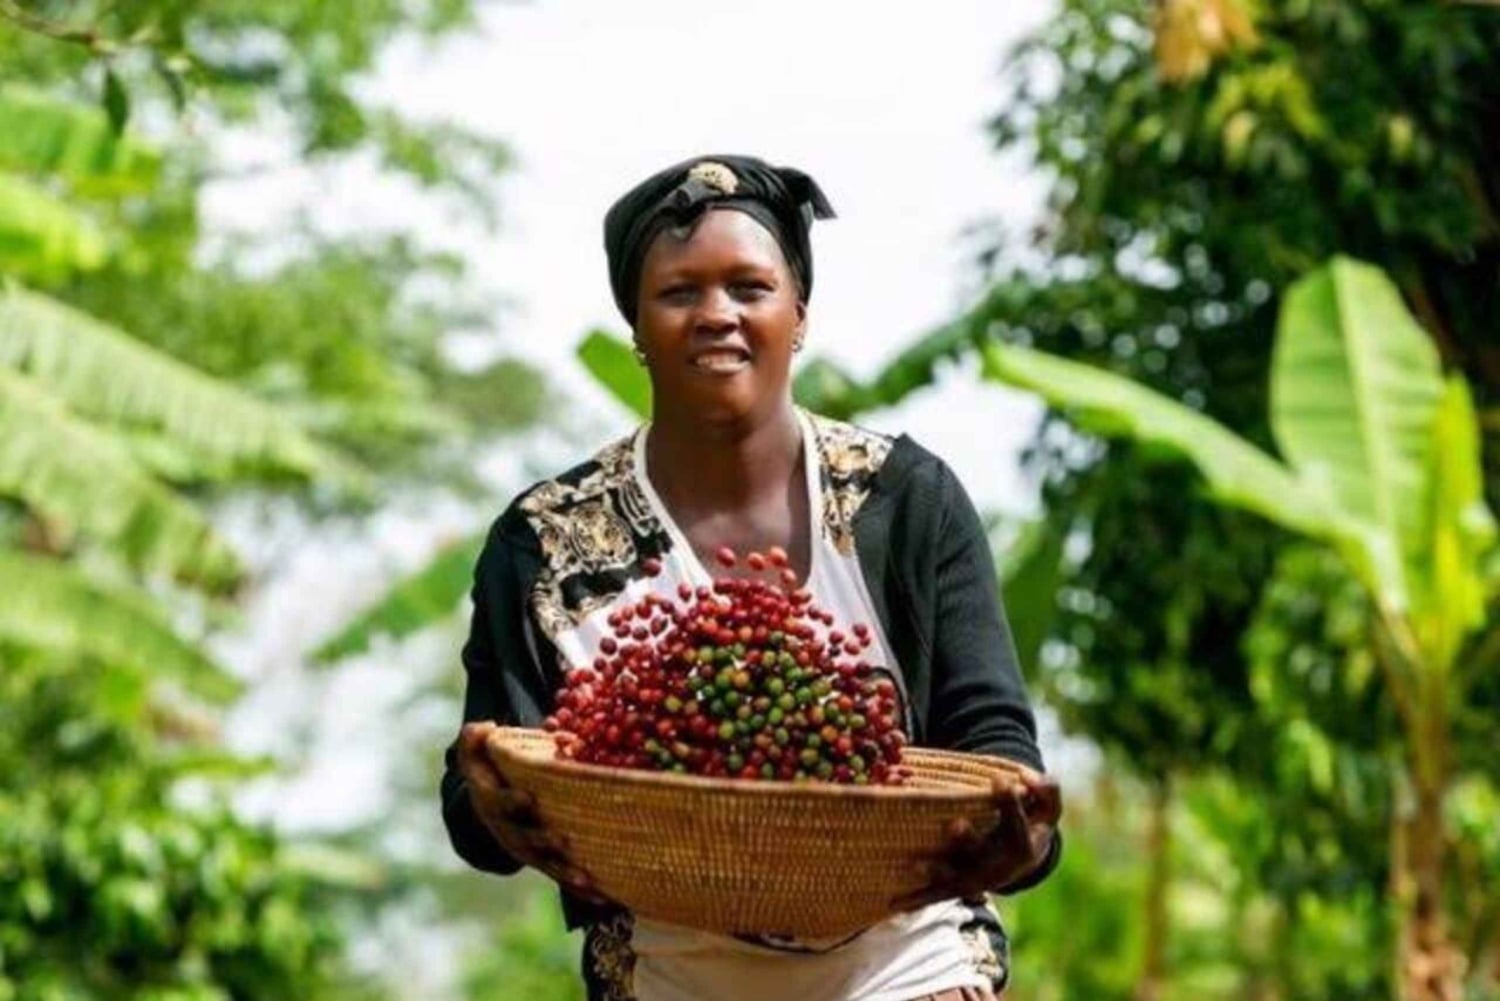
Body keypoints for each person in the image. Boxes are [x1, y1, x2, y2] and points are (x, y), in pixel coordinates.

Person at [442, 154, 1062, 1001]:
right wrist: (499, 802)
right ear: (634, 323)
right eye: (679, 292)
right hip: (670, 975)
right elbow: (480, 804)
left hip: (906, 969)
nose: (716, 316)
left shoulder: (905, 502)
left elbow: (999, 759)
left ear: (798, 313)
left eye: (749, 287)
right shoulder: (545, 544)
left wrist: (1013, 834)